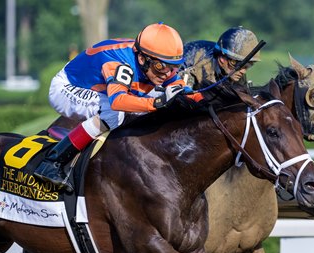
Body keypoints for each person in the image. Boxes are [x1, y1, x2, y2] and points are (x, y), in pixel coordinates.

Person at [34, 22, 202, 190]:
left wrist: (203, 98)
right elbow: (118, 101)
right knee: (114, 114)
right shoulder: (120, 63)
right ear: (142, 58)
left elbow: (180, 90)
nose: (167, 74)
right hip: (68, 88)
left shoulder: (157, 63)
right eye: (161, 67)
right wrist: (156, 103)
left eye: (174, 68)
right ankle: (52, 161)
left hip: (104, 91)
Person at [179, 26, 262, 253]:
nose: (244, 73)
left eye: (248, 68)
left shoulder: (234, 71)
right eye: (241, 66)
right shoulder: (193, 64)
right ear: (225, 59)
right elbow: (180, 110)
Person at [180, 26, 261, 89]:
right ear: (222, 59)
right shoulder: (198, 68)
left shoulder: (236, 74)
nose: (243, 71)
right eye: (237, 65)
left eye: (247, 66)